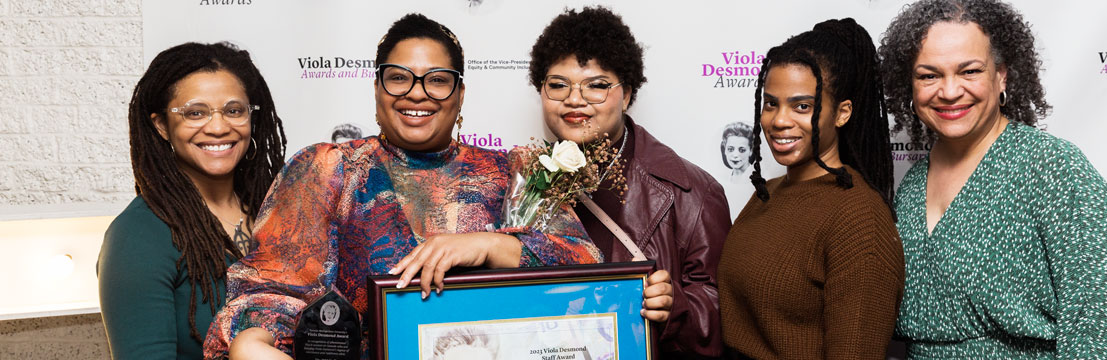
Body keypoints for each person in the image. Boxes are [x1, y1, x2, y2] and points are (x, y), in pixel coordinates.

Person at [203, 14, 601, 359]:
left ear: (460, 95)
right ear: (377, 89)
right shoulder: (327, 170)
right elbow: (272, 289)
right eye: (398, 78)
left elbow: (590, 270)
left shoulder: (510, 174)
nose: (416, 92)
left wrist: (489, 244)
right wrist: (252, 340)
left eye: (438, 80)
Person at [879, 0, 1107, 358]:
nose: (950, 91)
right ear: (909, 86)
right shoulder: (910, 188)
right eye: (929, 75)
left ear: (1001, 76)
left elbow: (1101, 330)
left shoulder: (1053, 168)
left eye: (969, 71)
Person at [527, 7, 729, 358]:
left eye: (597, 86)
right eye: (558, 85)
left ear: (628, 94)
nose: (575, 99)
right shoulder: (522, 184)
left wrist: (675, 307)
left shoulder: (693, 193)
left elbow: (722, 319)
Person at [718, 18, 903, 359]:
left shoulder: (860, 218)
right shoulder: (766, 193)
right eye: (771, 103)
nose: (779, 120)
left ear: (842, 113)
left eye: (802, 106)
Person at [97, 42, 288, 359]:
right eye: (195, 113)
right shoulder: (138, 236)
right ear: (161, 126)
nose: (217, 127)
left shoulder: (279, 208)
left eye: (233, 110)